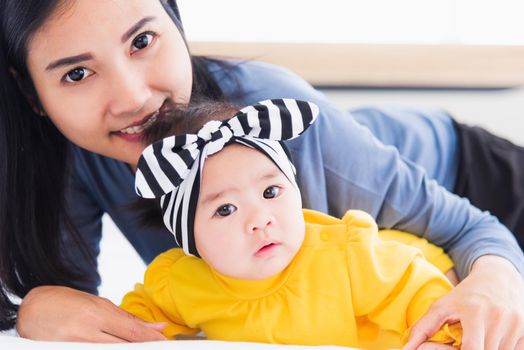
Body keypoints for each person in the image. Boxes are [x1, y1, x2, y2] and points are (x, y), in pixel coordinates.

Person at [0, 0, 522, 348]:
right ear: (31, 94)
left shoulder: (274, 110)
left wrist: (495, 281)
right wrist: (36, 308)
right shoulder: (71, 154)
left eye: (142, 42)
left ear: (175, 22)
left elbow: (471, 229)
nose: (133, 98)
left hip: (474, 178)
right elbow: (84, 310)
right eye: (76, 73)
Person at [121, 98, 462, 348]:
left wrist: (438, 338)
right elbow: (137, 319)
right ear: (188, 237)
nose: (260, 220)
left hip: (423, 264)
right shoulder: (180, 283)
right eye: (225, 209)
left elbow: (421, 291)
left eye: (271, 191)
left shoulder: (349, 257)